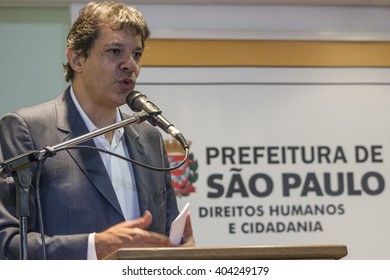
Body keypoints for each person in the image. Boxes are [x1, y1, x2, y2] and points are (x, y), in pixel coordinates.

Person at [0, 1, 194, 260]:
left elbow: (166, 236)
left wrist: (182, 251)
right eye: (115, 51)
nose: (130, 65)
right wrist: (94, 246)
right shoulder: (26, 129)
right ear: (77, 59)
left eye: (136, 54)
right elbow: (7, 243)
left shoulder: (150, 139)